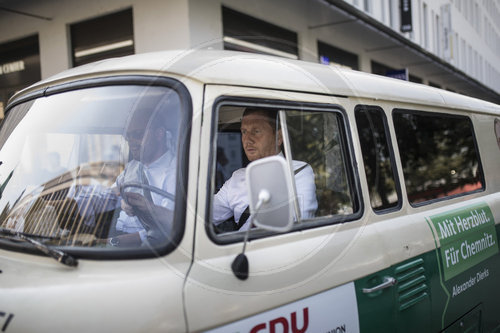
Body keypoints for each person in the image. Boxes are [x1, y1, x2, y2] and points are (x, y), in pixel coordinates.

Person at [67, 107, 176, 247]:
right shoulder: (133, 166)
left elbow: (164, 231)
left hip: (144, 245)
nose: (131, 143)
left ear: (159, 134)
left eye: (138, 135)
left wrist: (105, 243)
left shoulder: (175, 173)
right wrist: (71, 205)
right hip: (115, 232)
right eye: (128, 137)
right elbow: (111, 197)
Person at [212, 108, 318, 232]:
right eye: (244, 132)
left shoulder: (299, 172)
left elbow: (298, 227)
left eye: (256, 131)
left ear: (279, 137)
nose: (247, 140)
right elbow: (206, 214)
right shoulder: (237, 177)